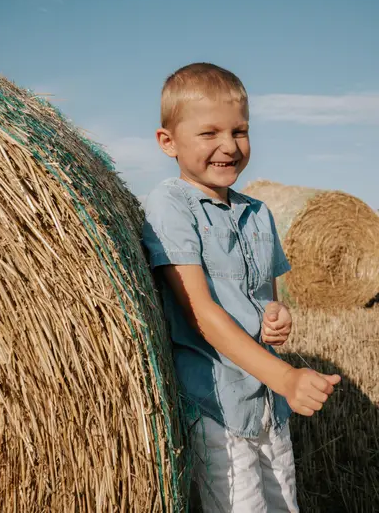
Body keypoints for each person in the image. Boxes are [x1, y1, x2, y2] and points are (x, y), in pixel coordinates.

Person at [142, 62, 341, 512]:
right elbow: (201, 314)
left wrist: (276, 317)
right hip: (216, 406)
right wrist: (287, 376)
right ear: (167, 142)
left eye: (240, 131)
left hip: (268, 403)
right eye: (209, 134)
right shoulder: (170, 204)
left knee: (284, 502)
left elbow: (266, 296)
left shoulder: (258, 212)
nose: (228, 146)